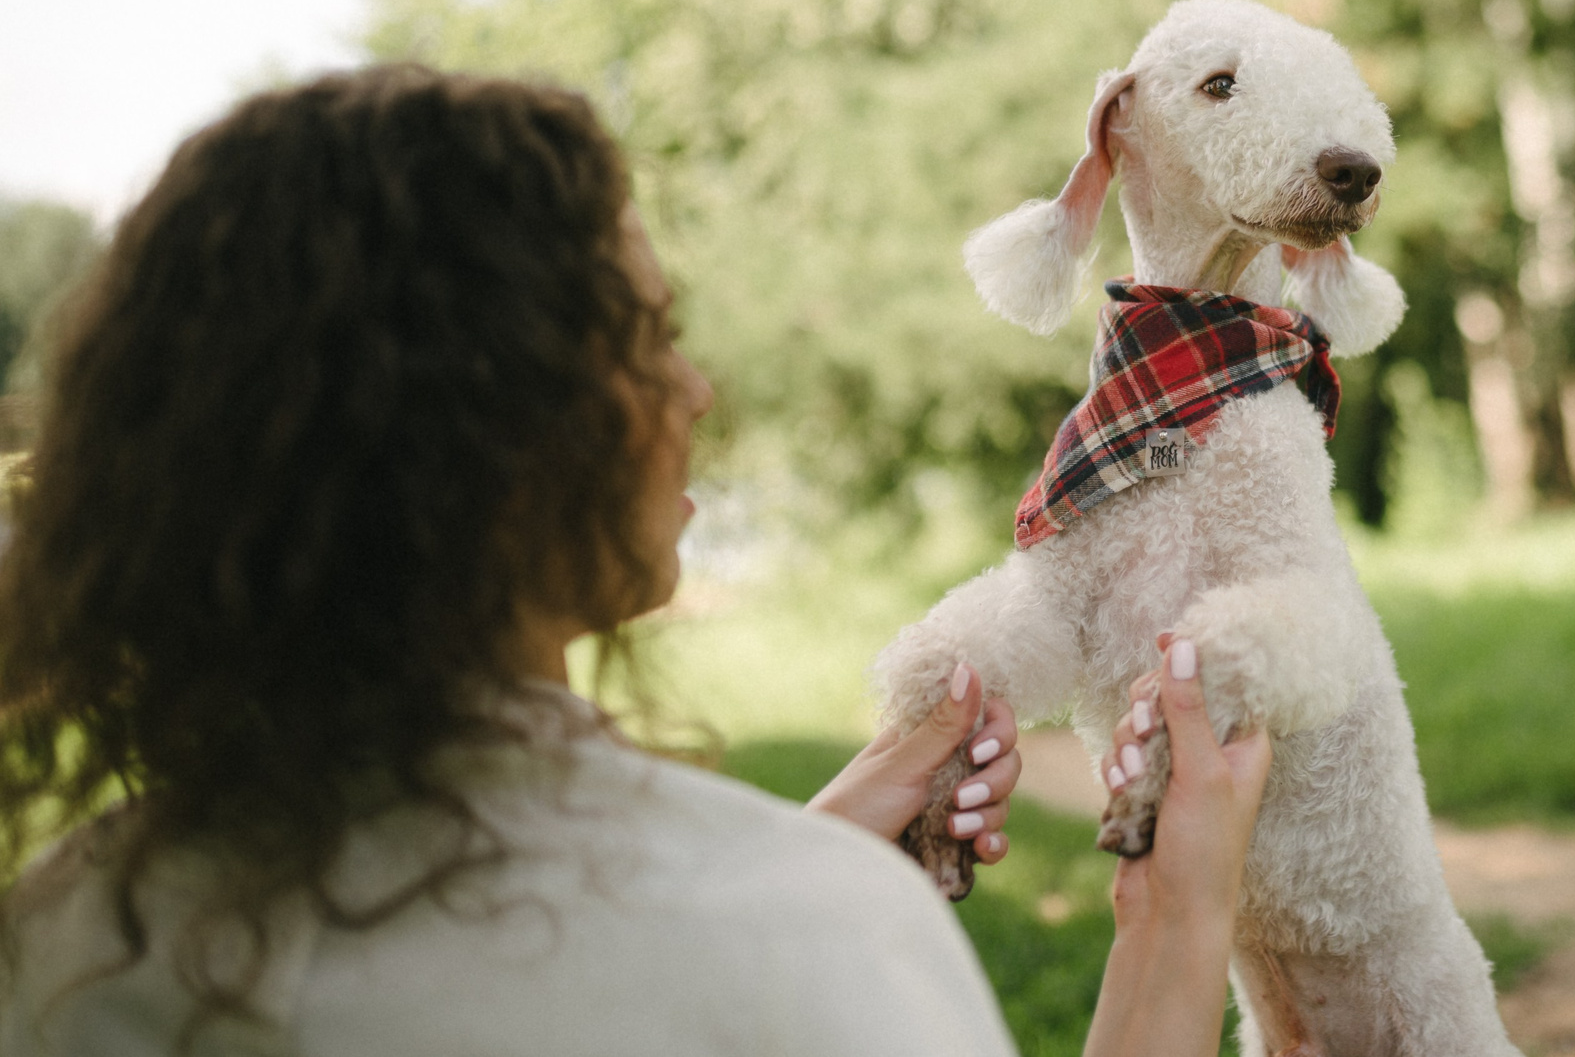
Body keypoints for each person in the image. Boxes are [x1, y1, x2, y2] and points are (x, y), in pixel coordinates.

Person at [0, 66, 1269, 1055]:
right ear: (507, 431)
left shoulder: (63, 940)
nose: (694, 388)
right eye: (647, 334)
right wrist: (1173, 922)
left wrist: (812, 843)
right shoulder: (796, 934)